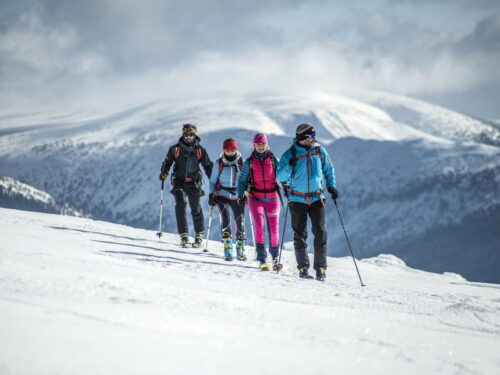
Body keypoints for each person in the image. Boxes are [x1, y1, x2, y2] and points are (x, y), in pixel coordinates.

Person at [277, 124, 337, 281]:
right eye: (310, 137)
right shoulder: (289, 154)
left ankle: (321, 268)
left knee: (320, 232)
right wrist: (289, 167)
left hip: (317, 197)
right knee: (300, 234)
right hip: (297, 199)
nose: (313, 139)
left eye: (314, 137)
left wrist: (331, 186)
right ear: (302, 138)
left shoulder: (319, 150)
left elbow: (329, 169)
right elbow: (281, 177)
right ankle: (303, 268)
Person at [159, 124, 213, 248]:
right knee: (181, 205)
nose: (189, 137)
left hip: (193, 182)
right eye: (187, 135)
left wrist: (213, 179)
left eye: (191, 135)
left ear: (195, 135)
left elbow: (208, 166)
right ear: (183, 135)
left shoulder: (200, 150)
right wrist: (164, 173)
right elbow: (167, 163)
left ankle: (199, 234)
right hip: (178, 181)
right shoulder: (175, 149)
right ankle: (184, 235)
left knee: (196, 207)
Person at [237, 133, 281, 271]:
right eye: (258, 144)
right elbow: (242, 180)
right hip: (255, 198)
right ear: (254, 145)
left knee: (274, 230)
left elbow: (283, 176)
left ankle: (275, 257)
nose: (260, 147)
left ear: (267, 144)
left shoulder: (275, 160)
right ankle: (262, 258)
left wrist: (288, 187)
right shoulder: (249, 162)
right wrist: (240, 195)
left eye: (262, 144)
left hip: (273, 198)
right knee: (259, 227)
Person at [208, 138, 246, 261]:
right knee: (225, 219)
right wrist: (211, 194)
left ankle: (240, 249)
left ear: (236, 149)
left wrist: (246, 191)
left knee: (240, 222)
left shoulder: (241, 162)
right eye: (227, 149)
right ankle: (228, 248)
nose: (230, 152)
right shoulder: (219, 163)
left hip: (237, 195)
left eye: (232, 149)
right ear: (224, 150)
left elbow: (246, 179)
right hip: (222, 194)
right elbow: (213, 181)